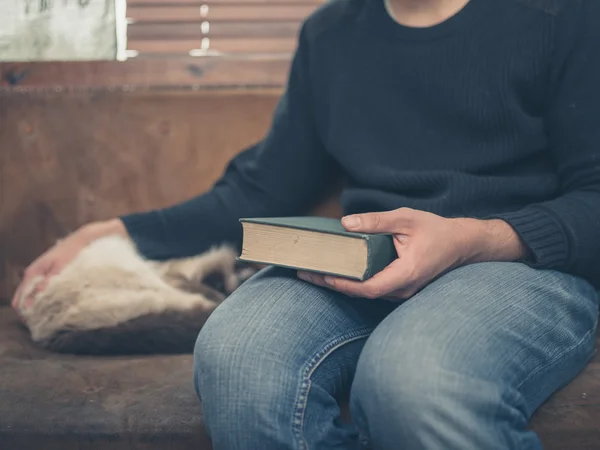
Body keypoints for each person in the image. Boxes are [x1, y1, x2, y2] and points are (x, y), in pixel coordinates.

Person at [12, 0, 600, 448]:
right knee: (237, 355)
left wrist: (475, 239)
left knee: (414, 378)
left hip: (513, 264)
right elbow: (259, 190)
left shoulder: (567, 17)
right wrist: (111, 232)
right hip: (360, 261)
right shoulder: (331, 34)